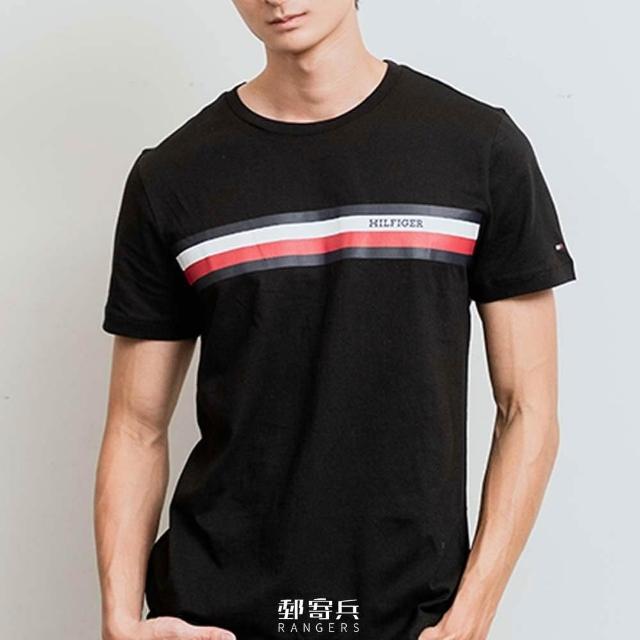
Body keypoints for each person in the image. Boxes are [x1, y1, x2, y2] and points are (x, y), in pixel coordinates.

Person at [94, 1, 577, 639]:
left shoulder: (477, 148)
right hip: (215, 615)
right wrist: (119, 620)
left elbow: (527, 408)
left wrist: (473, 613)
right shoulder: (173, 176)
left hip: (410, 617)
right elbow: (136, 425)